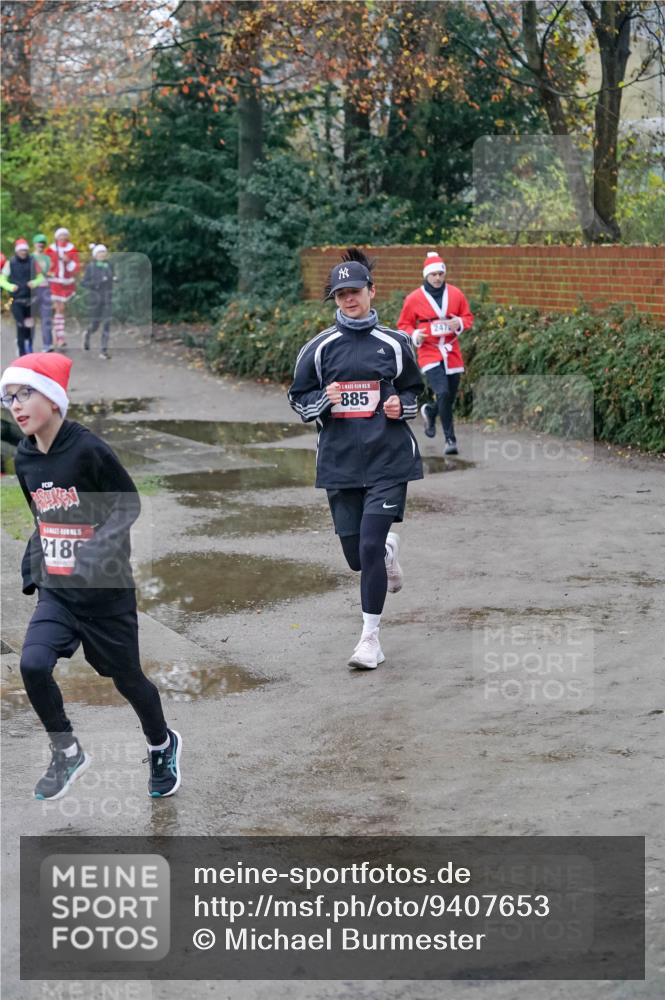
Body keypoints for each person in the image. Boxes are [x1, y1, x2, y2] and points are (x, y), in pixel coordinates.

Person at [0, 352, 182, 800]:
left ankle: (162, 744)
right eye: (8, 398)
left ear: (54, 400)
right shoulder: (24, 458)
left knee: (127, 679)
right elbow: (42, 515)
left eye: (25, 394)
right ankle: (67, 751)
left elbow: (128, 504)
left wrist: (98, 547)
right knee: (32, 664)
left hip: (106, 593)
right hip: (59, 591)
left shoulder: (89, 450)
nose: (16, 406)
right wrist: (39, 557)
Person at [288, 248, 423, 670]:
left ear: (372, 291)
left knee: (365, 548)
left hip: (388, 460)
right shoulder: (318, 349)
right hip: (340, 462)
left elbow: (416, 391)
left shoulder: (396, 344)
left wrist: (402, 405)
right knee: (356, 556)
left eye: (356, 291)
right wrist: (321, 403)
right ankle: (386, 550)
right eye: (341, 293)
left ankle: (370, 639)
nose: (349, 299)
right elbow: (298, 397)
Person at [397, 251, 474, 455]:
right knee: (442, 392)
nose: (438, 278)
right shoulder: (414, 298)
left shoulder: (456, 294)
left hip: (451, 350)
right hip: (429, 351)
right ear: (426, 275)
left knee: (448, 396)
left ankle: (430, 411)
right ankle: (450, 440)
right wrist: (414, 335)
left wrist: (458, 322)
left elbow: (467, 317)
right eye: (434, 274)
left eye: (441, 273)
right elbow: (403, 324)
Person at [0, 238, 46, 355]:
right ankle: (22, 352)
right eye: (21, 250)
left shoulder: (33, 261)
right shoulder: (10, 263)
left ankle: (29, 346)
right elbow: (2, 280)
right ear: (17, 251)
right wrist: (10, 287)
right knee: (21, 325)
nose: (24, 252)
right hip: (16, 300)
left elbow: (41, 277)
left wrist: (34, 283)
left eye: (25, 250)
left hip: (31, 299)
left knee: (30, 326)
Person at [46, 227, 80, 349]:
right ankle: (59, 337)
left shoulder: (71, 249)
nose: (63, 238)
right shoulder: (51, 249)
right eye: (61, 236)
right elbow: (44, 264)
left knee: (62, 309)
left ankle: (57, 334)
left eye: (65, 235)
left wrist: (68, 262)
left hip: (67, 283)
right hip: (54, 282)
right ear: (56, 237)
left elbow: (76, 267)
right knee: (58, 308)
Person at [81, 243, 115, 360]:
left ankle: (103, 351)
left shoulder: (109, 265)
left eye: (104, 252)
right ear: (95, 255)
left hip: (107, 298)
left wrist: (115, 279)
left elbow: (112, 277)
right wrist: (96, 284)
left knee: (107, 324)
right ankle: (87, 334)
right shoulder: (91, 267)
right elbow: (84, 283)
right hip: (95, 299)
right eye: (100, 252)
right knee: (95, 325)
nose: (102, 254)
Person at [31, 234, 54, 351]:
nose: (41, 245)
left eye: (43, 243)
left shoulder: (48, 258)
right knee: (30, 318)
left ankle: (48, 345)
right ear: (34, 244)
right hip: (32, 290)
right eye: (39, 242)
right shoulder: (30, 258)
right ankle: (27, 344)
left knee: (47, 318)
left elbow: (51, 273)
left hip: (46, 290)